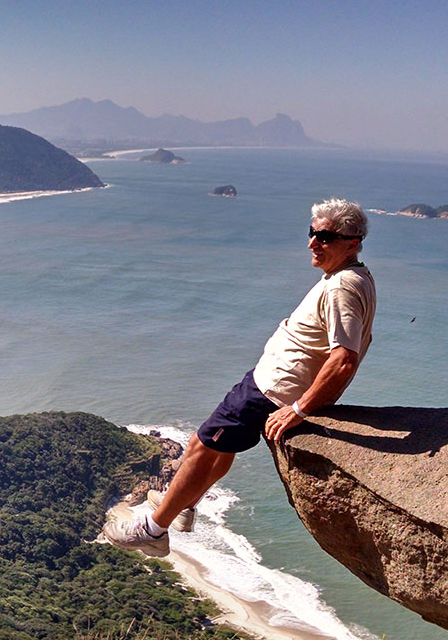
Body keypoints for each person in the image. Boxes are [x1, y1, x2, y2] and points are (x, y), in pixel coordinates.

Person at [103, 198, 376, 557]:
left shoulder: (341, 287)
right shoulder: (354, 277)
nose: (313, 242)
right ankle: (185, 505)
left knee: (202, 445)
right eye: (312, 233)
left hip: (273, 391)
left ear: (352, 242)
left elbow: (344, 359)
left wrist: (299, 409)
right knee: (214, 446)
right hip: (269, 383)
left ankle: (153, 529)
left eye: (325, 236)